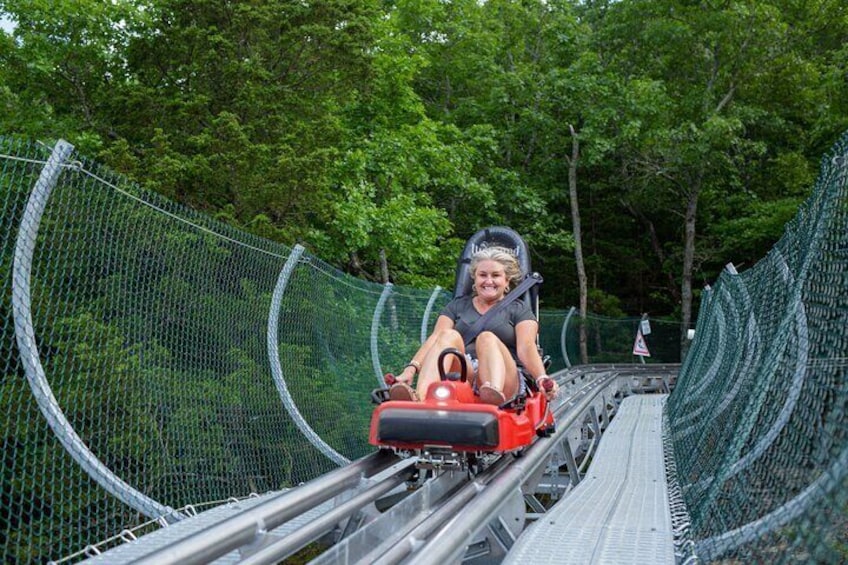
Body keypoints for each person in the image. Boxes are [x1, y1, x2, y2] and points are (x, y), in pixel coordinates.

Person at [389, 246, 559, 405]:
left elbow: (526, 347)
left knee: (487, 338)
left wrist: (541, 378)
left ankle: (493, 393)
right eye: (483, 275)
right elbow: (435, 339)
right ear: (475, 279)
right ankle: (421, 397)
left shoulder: (519, 309)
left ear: (507, 281)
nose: (488, 281)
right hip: (467, 371)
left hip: (506, 374)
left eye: (495, 275)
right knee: (448, 335)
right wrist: (411, 369)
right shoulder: (457, 306)